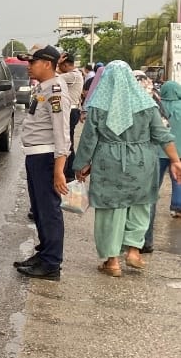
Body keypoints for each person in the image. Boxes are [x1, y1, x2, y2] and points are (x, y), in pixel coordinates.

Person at [73, 60, 181, 277]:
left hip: (108, 161)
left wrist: (81, 165)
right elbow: (162, 135)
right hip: (142, 160)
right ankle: (133, 251)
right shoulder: (147, 104)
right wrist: (175, 160)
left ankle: (112, 261)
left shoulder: (98, 107)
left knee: (110, 209)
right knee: (140, 205)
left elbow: (88, 140)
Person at [13, 46, 71, 280]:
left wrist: (59, 170)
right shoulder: (43, 87)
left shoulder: (56, 91)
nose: (29, 65)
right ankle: (44, 252)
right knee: (39, 209)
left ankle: (51, 263)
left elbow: (62, 133)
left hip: (47, 158)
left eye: (33, 62)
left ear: (47, 64)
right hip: (36, 156)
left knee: (49, 211)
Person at [143, 79, 181, 253]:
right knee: (178, 181)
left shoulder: (156, 105)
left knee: (152, 191)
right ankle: (177, 206)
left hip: (157, 152)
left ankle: (144, 237)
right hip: (177, 153)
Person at [57, 53, 84, 181]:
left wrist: (56, 63)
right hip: (72, 111)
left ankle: (68, 174)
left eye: (61, 65)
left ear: (66, 64)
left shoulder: (72, 75)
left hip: (70, 112)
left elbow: (53, 77)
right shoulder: (76, 75)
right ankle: (68, 173)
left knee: (68, 144)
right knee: (68, 142)